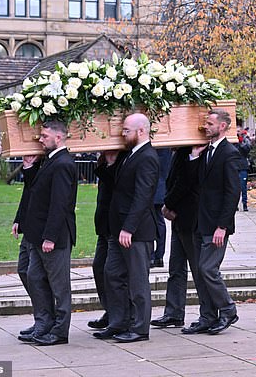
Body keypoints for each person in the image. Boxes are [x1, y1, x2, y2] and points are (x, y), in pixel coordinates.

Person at [98, 113, 159, 343]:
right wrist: (111, 162)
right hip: (119, 231)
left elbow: (143, 196)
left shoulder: (147, 157)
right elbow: (115, 185)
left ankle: (140, 328)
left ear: (141, 131)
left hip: (135, 232)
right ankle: (119, 322)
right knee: (111, 274)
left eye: (126, 130)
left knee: (137, 281)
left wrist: (129, 228)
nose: (122, 134)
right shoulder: (130, 155)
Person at [181, 109, 241, 336]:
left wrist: (222, 226)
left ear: (223, 126)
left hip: (216, 225)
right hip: (201, 222)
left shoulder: (229, 153)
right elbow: (198, 184)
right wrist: (195, 157)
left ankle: (227, 309)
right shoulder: (208, 151)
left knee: (208, 269)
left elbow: (232, 192)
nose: (205, 127)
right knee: (199, 270)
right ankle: (207, 316)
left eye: (209, 123)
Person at [19, 120, 78, 345]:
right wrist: (29, 168)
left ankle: (60, 331)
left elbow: (60, 204)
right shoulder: (50, 161)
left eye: (44, 136)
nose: (40, 140)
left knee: (59, 286)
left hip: (55, 237)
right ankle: (43, 322)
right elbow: (38, 192)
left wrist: (50, 237)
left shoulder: (63, 163)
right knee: (34, 277)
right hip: (39, 235)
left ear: (59, 138)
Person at [150, 147, 201, 329]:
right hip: (179, 217)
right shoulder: (180, 153)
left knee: (198, 269)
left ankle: (208, 314)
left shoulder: (195, 155)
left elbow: (185, 182)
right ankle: (173, 313)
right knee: (176, 269)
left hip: (191, 218)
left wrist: (168, 204)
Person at [88, 150, 121, 330]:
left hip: (115, 225)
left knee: (112, 272)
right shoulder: (106, 162)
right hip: (104, 225)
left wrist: (110, 162)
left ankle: (120, 314)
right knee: (99, 267)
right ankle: (111, 310)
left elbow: (116, 186)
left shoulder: (122, 161)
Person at [12, 154, 41, 342]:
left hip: (39, 227)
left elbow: (38, 193)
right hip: (28, 224)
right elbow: (27, 193)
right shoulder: (36, 165)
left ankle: (45, 319)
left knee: (35, 275)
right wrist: (18, 219)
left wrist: (31, 168)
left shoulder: (48, 164)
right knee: (23, 269)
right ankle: (42, 316)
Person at [150, 148, 172, 268]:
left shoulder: (158, 148)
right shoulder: (166, 149)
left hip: (154, 188)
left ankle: (153, 256)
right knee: (159, 222)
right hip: (161, 187)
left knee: (152, 222)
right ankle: (158, 256)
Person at [235, 127, 251, 212]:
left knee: (243, 187)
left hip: (243, 166)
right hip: (234, 166)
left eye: (238, 131)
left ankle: (244, 205)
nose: (237, 133)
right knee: (234, 187)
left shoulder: (245, 139)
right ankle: (235, 205)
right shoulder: (232, 140)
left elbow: (247, 149)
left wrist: (240, 142)